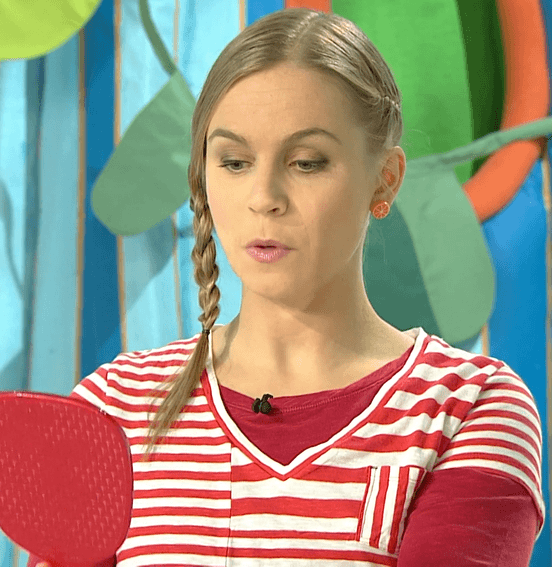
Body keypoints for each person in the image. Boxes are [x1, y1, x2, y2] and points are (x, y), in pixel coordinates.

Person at [30, 7, 544, 566]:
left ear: (385, 179)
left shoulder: (470, 407)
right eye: (234, 162)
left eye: (306, 162)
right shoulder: (114, 406)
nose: (264, 197)